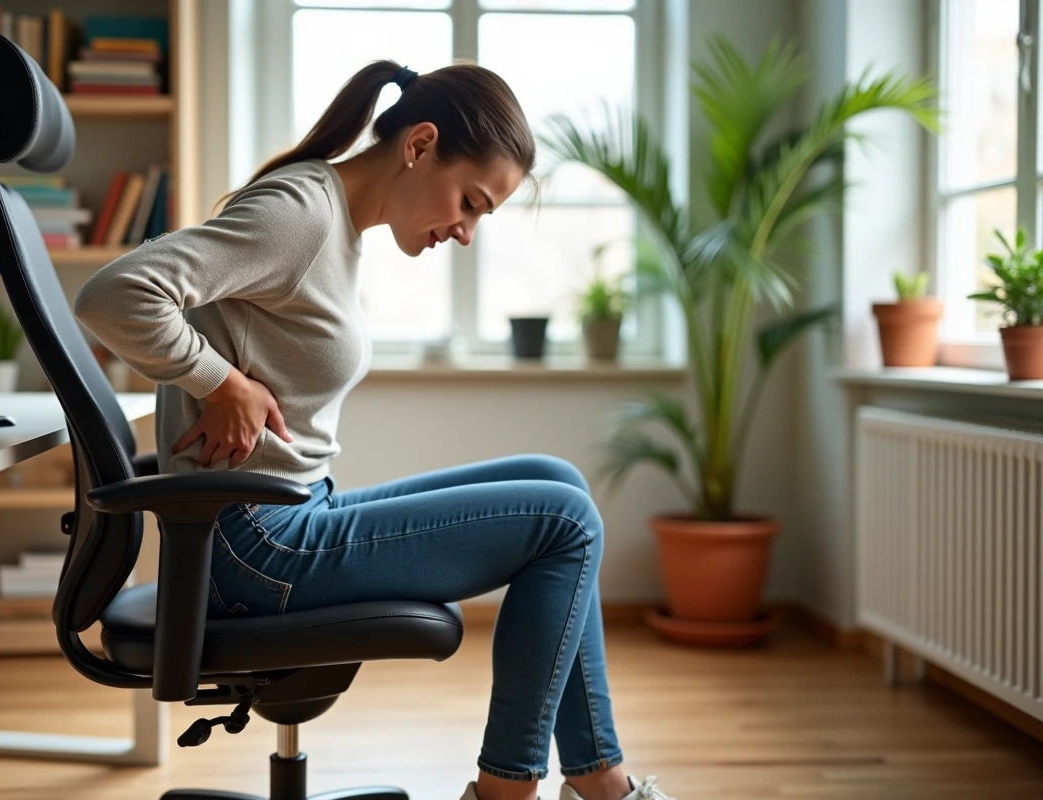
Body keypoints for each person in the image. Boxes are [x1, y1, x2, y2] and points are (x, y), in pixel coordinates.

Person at [74, 59, 675, 800]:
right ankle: (513, 791)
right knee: (566, 520)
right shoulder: (300, 215)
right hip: (257, 546)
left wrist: (219, 377)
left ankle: (598, 780)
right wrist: (219, 382)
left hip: (287, 516)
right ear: (420, 145)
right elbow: (111, 296)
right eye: (472, 203)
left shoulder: (335, 220)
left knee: (559, 484)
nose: (465, 232)